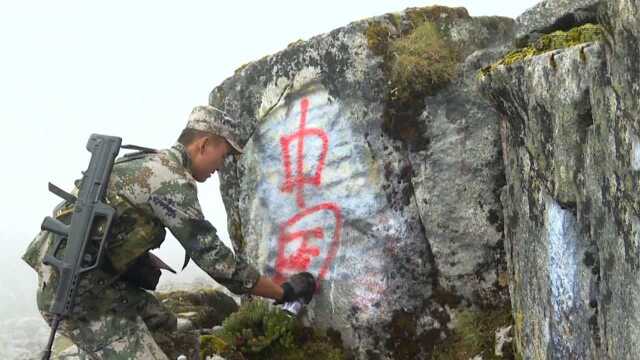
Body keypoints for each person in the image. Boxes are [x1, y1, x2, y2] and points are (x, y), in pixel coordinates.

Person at [22, 105, 314, 359]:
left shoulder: (145, 164)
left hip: (87, 283)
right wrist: (282, 291)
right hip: (81, 300)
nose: (221, 167)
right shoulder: (170, 180)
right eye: (223, 156)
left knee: (171, 327)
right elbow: (216, 260)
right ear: (204, 143)